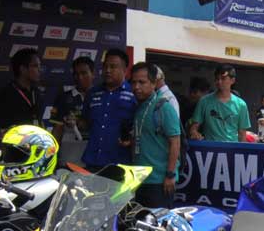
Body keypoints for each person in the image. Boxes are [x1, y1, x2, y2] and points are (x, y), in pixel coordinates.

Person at [128, 61, 181, 209]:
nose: (136, 87)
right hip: (139, 181)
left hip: (159, 182)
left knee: (159, 228)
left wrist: (170, 176)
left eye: (142, 82)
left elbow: (175, 142)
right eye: (133, 82)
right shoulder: (139, 107)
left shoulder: (163, 107)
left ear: (153, 83)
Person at [81, 48, 137, 177]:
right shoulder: (92, 93)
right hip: (93, 161)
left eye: (113, 67)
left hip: (120, 163)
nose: (107, 70)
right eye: (105, 66)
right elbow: (85, 122)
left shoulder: (134, 93)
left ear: (124, 70)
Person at [188, 64, 250, 143]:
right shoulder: (204, 101)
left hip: (232, 151)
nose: (219, 82)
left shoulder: (241, 105)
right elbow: (193, 128)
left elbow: (242, 134)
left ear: (232, 81)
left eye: (223, 78)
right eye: (217, 79)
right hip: (210, 150)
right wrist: (195, 134)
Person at [51, 55, 93, 163]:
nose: (79, 77)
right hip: (69, 156)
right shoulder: (63, 98)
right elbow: (57, 129)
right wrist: (52, 155)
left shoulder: (101, 97)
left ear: (93, 74)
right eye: (76, 74)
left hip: (94, 156)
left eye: (84, 73)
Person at [0, 48, 43, 130]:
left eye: (39, 66)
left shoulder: (37, 92)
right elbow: (3, 127)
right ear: (23, 69)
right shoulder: (7, 94)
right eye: (35, 66)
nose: (39, 69)